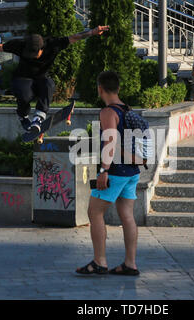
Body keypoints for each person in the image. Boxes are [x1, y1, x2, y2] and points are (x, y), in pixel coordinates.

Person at [0, 26, 109, 132]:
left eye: (34, 53)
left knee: (48, 84)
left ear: (42, 48)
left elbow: (75, 37)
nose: (30, 56)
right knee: (24, 95)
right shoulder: (20, 44)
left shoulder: (53, 44)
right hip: (22, 78)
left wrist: (92, 32)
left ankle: (38, 117)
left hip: (40, 78)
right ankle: (23, 115)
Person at [76, 71, 141, 276]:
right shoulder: (127, 109)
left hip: (116, 171)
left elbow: (110, 142)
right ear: (118, 88)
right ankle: (130, 264)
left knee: (94, 212)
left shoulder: (108, 112)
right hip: (132, 170)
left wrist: (104, 170)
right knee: (127, 215)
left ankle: (99, 261)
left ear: (100, 89)